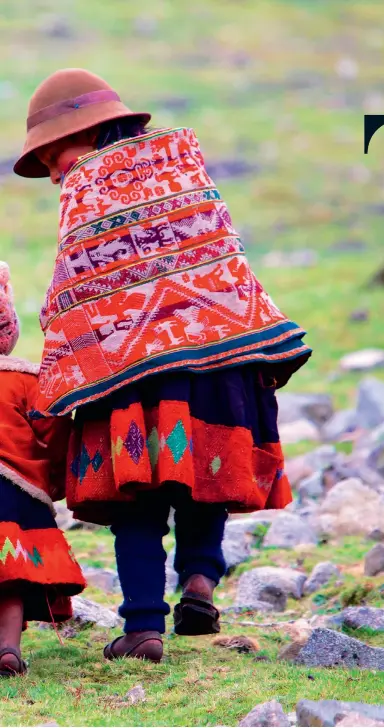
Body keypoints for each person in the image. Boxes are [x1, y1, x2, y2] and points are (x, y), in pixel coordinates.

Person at [14, 68, 312, 663]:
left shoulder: (87, 188)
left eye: (53, 156)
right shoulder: (182, 166)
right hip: (219, 369)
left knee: (136, 509)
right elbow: (220, 255)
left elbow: (76, 293)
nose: (53, 173)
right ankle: (200, 583)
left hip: (134, 384)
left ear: (88, 133)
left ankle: (144, 628)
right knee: (206, 483)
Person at [0, 261, 86, 677]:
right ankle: (7, 648)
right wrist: (50, 483)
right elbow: (55, 434)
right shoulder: (26, 381)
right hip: (15, 494)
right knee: (11, 572)